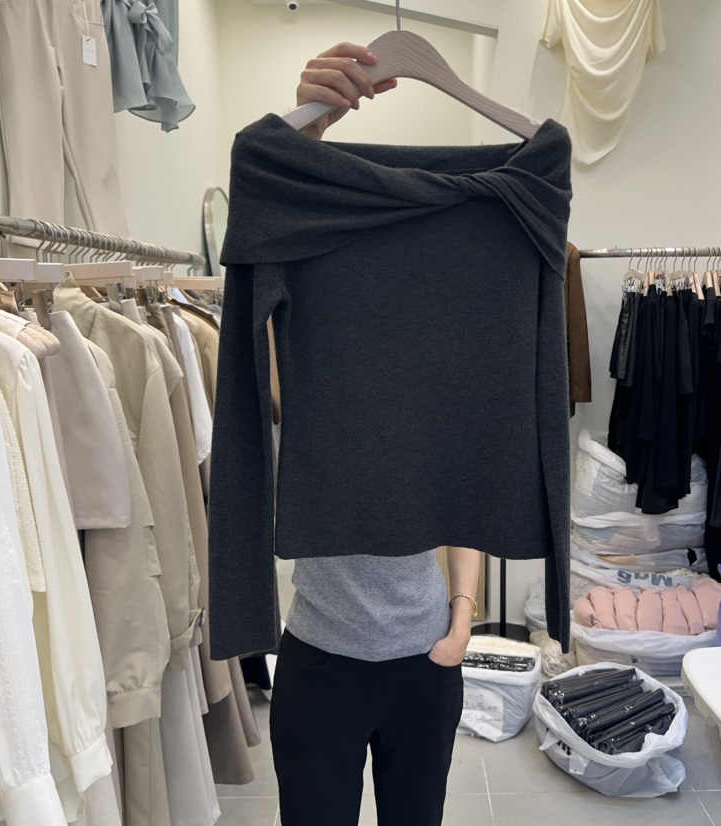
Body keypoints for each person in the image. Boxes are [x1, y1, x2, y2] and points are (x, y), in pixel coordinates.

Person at [268, 42, 483, 826]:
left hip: (426, 657)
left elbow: (467, 503)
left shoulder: (442, 373)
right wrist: (309, 128)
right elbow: (276, 246)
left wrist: (462, 620)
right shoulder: (303, 366)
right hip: (319, 659)